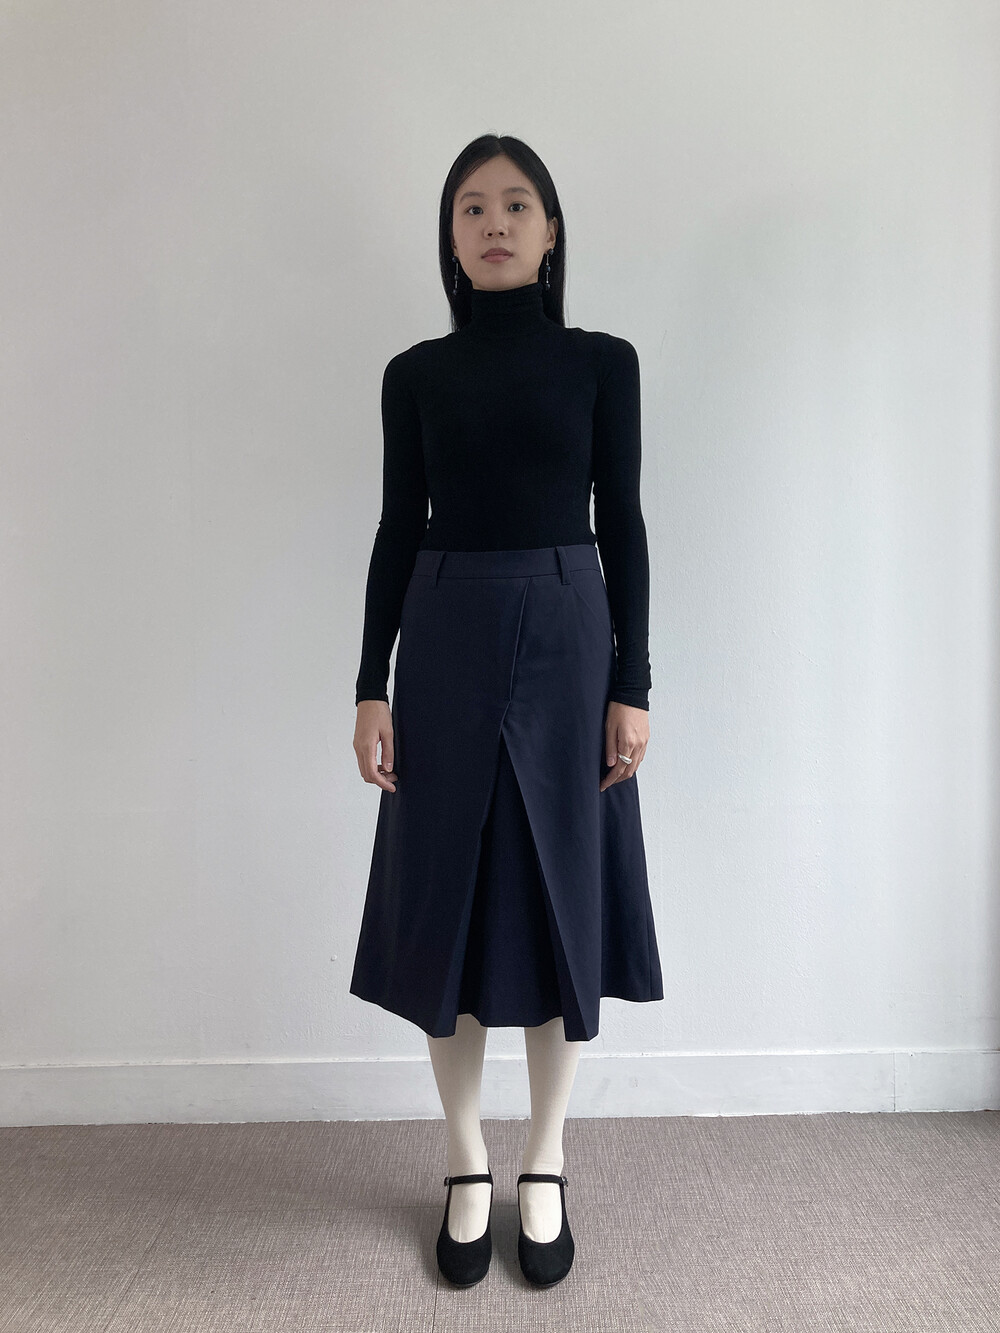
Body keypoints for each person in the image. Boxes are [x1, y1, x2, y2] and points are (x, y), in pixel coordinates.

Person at [350, 134, 664, 1289]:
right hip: (443, 638)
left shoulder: (602, 363)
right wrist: (369, 681)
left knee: (556, 890)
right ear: (450, 235)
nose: (495, 222)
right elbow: (398, 526)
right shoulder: (414, 375)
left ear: (550, 230)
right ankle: (464, 1159)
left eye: (517, 204)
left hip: (570, 634)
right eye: (473, 207)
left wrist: (633, 681)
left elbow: (622, 520)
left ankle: (546, 1158)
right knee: (450, 895)